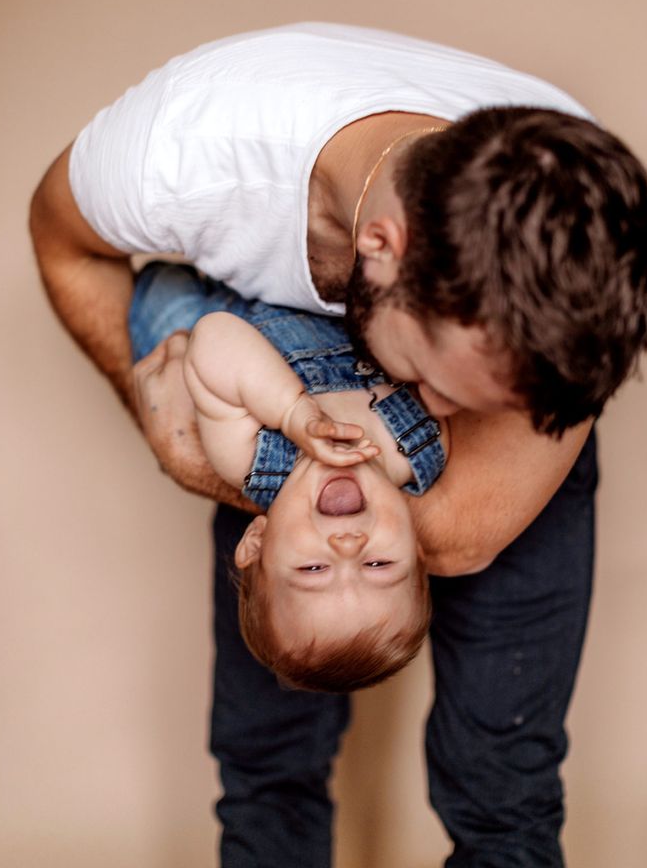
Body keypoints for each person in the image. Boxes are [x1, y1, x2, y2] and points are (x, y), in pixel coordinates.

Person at [29, 22, 647, 866]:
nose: (434, 412)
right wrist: (167, 418)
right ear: (381, 247)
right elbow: (62, 243)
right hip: (262, 396)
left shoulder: (578, 219)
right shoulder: (181, 149)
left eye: (485, 404)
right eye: (436, 383)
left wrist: (231, 471)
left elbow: (469, 535)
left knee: (503, 781)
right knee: (269, 755)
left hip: (282, 451)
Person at [131, 259, 440, 692]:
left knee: (162, 295)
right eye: (378, 564)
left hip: (217, 299)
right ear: (418, 547)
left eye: (314, 568)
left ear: (257, 541)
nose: (347, 545)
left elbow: (216, 336)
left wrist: (293, 412)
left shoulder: (249, 455)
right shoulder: (421, 445)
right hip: (318, 274)